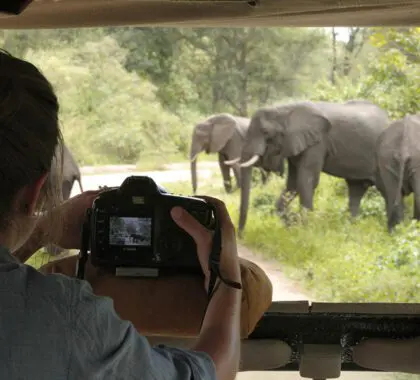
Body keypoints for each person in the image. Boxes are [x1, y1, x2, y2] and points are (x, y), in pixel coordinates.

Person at [0, 49, 242, 379]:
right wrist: (226, 278)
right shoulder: (67, 318)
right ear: (34, 191)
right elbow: (213, 371)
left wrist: (40, 229)